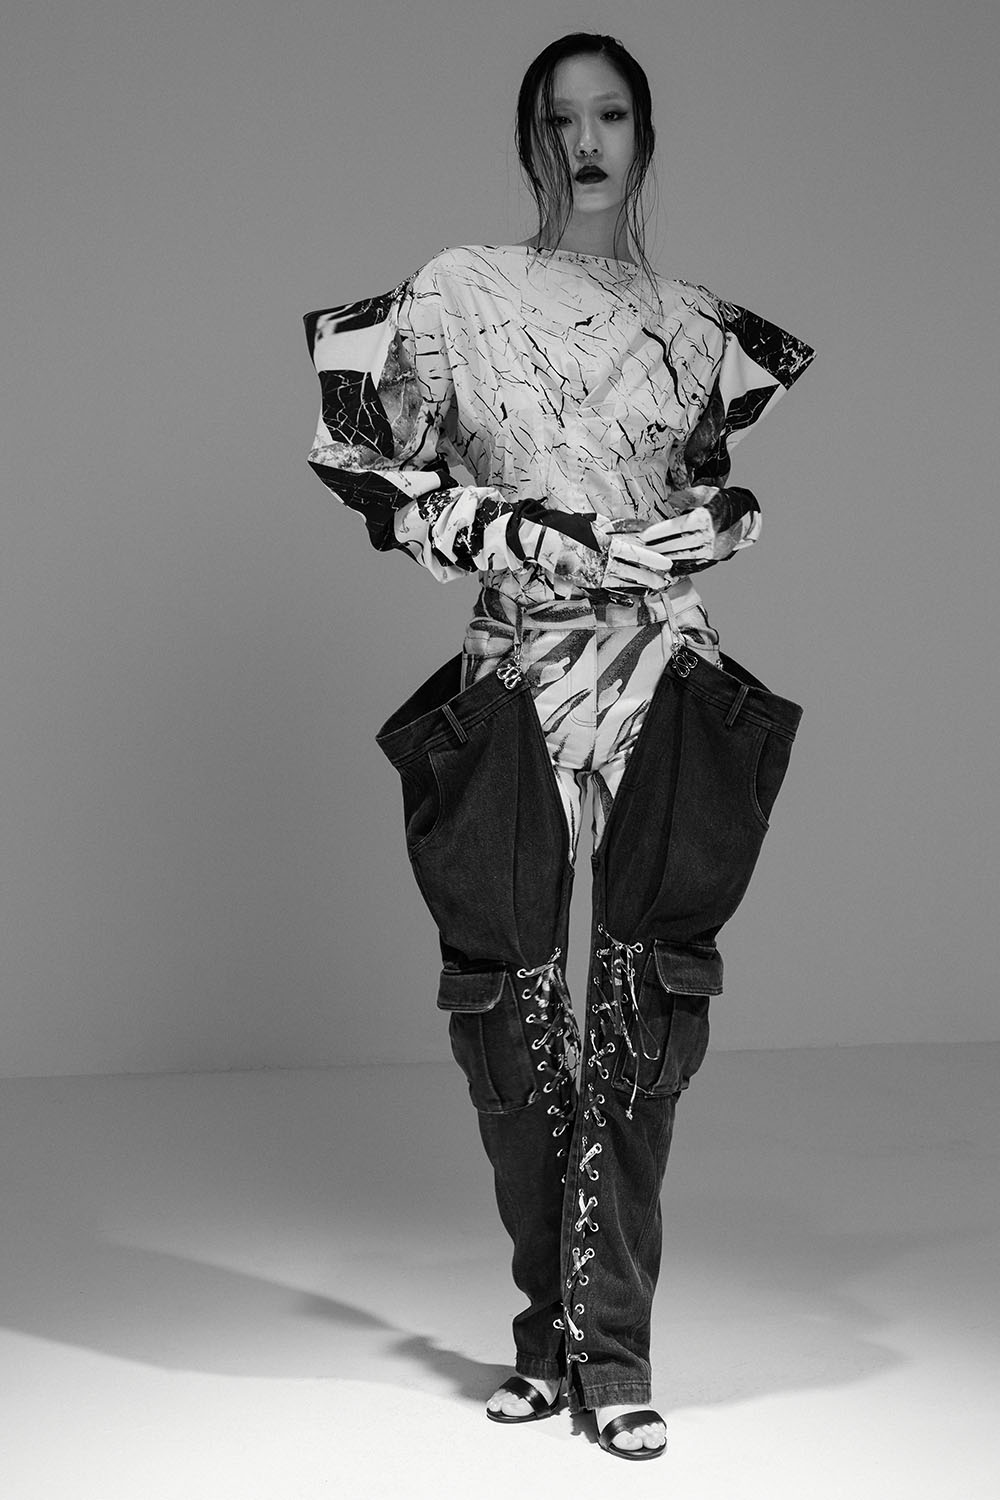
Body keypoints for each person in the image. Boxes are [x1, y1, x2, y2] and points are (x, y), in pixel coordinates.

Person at [304, 32, 814, 1462]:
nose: (585, 143)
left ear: (646, 135)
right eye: (559, 120)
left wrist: (723, 524)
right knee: (507, 1014)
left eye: (611, 116)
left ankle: (614, 1356)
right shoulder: (460, 292)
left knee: (649, 1014)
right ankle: (551, 1333)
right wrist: (534, 532)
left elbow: (707, 490)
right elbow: (369, 472)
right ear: (529, 140)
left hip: (663, 669)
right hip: (519, 669)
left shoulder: (695, 325)